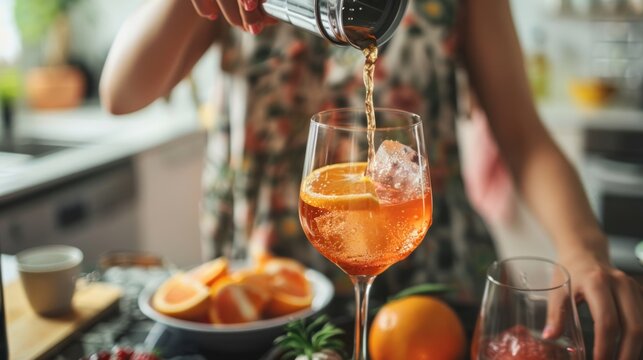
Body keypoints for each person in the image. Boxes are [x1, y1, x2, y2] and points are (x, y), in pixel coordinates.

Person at [100, 0, 643, 358]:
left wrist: (583, 248)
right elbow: (120, 94)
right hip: (269, 293)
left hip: (427, 291)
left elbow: (522, 134)